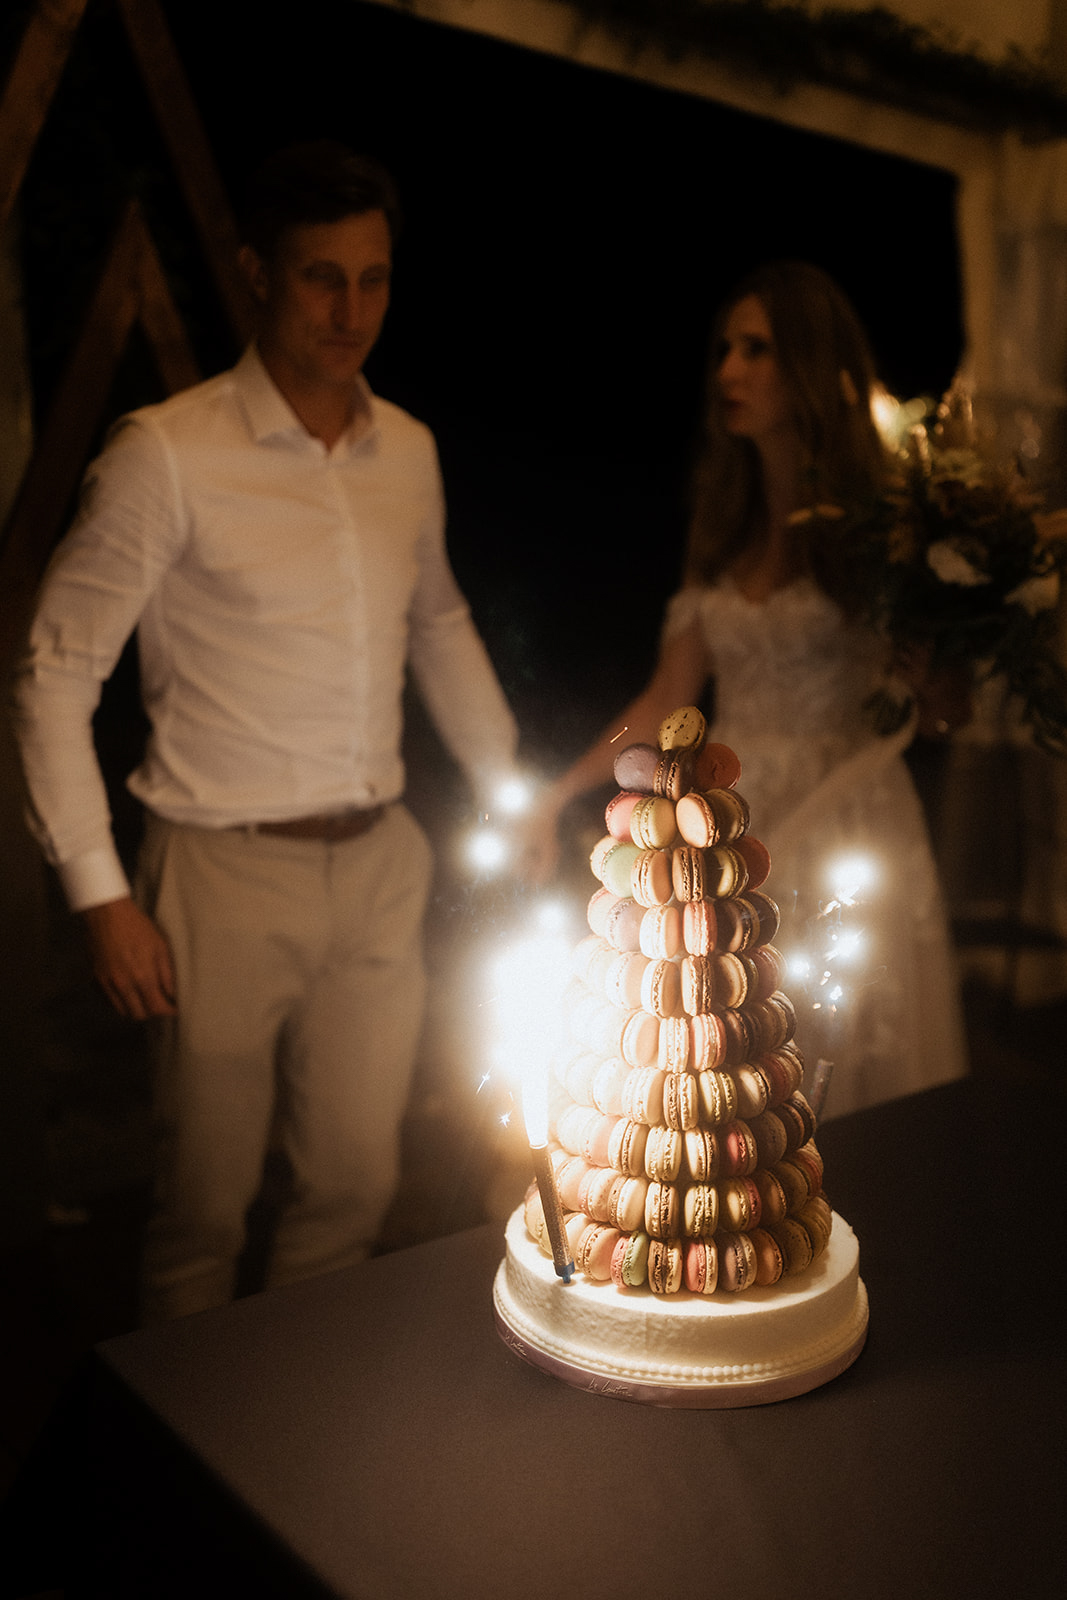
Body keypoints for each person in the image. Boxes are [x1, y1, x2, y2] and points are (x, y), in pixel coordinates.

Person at [13, 141, 518, 1319]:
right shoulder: (169, 453)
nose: (351, 311)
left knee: (354, 1187)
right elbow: (52, 671)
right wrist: (100, 896)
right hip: (219, 873)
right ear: (256, 272)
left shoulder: (411, 452)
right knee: (202, 1208)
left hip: (380, 861)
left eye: (374, 279)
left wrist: (507, 790)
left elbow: (437, 623)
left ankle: (299, 1449)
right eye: (319, 278)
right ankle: (184, 1469)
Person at [522, 260, 967, 1118]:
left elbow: (948, 714)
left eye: (755, 349)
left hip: (851, 817)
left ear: (808, 363)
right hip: (734, 824)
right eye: (726, 348)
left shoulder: (892, 522)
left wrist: (932, 683)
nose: (727, 370)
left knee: (853, 1071)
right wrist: (558, 790)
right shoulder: (722, 526)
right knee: (742, 1076)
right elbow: (664, 700)